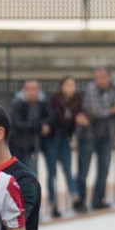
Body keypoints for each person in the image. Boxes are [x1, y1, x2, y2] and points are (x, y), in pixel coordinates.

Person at [78, 68, 115, 210]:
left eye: (103, 77)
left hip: (107, 135)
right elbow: (95, 111)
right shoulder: (92, 89)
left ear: (109, 77)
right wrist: (113, 110)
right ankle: (81, 200)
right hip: (89, 135)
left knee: (104, 168)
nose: (100, 81)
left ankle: (98, 199)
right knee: (84, 169)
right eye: (97, 78)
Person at [45, 77, 82, 216]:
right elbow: (57, 117)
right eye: (67, 84)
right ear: (61, 86)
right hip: (52, 138)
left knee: (67, 169)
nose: (70, 87)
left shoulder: (76, 100)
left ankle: (75, 197)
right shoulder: (54, 99)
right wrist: (73, 118)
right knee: (52, 172)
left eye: (73, 84)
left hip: (64, 138)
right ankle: (53, 203)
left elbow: (74, 118)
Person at [9, 79, 50, 172]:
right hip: (18, 145)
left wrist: (45, 124)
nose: (31, 92)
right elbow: (18, 124)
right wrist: (39, 124)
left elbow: (49, 117)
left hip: (34, 144)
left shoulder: (42, 102)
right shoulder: (17, 103)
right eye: (28, 89)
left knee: (33, 173)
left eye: (34, 89)